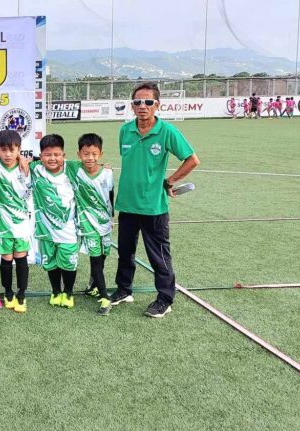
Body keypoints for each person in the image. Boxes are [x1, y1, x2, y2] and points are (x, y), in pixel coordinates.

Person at [111, 82, 199, 318]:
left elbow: (192, 160)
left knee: (159, 255)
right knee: (125, 251)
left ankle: (165, 299)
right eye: (138, 102)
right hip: (127, 204)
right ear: (132, 105)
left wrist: (170, 181)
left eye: (148, 102)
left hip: (153, 207)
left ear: (157, 105)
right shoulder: (125, 130)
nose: (143, 106)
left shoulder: (167, 131)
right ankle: (123, 289)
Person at [30, 134, 81, 310]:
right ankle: (55, 291)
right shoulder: (35, 169)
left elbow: (91, 165)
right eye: (47, 155)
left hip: (68, 229)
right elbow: (13, 160)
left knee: (68, 262)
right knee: (50, 262)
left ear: (63, 155)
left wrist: (104, 167)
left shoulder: (73, 168)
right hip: (45, 230)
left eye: (57, 154)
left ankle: (68, 293)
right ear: (41, 156)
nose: (52, 158)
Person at [0, 130, 34, 313]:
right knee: (6, 259)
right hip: (2, 224)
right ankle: (8, 292)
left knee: (21, 258)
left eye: (12, 150)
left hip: (22, 223)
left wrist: (26, 160)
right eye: (3, 150)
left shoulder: (28, 166)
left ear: (19, 150)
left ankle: (22, 295)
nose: (8, 154)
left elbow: (55, 161)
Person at [73, 133, 115, 316]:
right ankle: (105, 298)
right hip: (87, 224)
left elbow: (111, 195)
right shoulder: (74, 169)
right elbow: (49, 159)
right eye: (86, 154)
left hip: (105, 223)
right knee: (96, 260)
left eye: (94, 154)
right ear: (79, 154)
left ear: (101, 154)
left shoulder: (108, 173)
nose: (90, 158)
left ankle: (93, 286)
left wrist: (112, 217)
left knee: (103, 256)